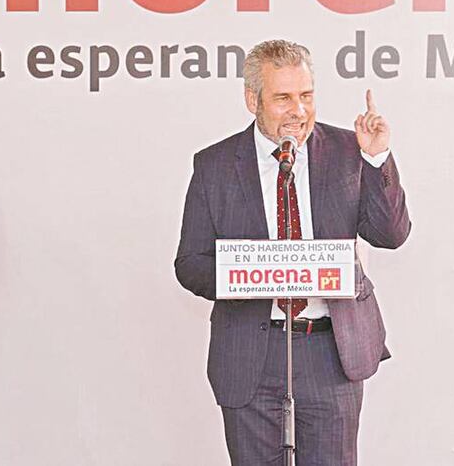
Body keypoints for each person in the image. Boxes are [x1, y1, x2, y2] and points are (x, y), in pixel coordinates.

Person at [175, 39, 411, 465]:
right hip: (251, 352)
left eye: (305, 96)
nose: (297, 110)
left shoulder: (347, 151)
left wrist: (377, 159)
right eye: (283, 98)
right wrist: (249, 275)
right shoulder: (214, 164)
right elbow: (189, 264)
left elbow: (390, 235)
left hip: (330, 352)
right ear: (253, 100)